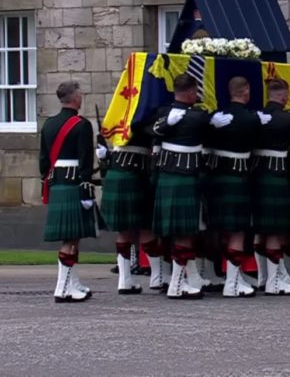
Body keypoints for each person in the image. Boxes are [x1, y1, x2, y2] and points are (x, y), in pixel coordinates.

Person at [148, 73, 210, 299]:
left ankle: (190, 278)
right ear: (192, 92)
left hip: (167, 176)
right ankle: (176, 285)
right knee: (183, 232)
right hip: (184, 178)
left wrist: (165, 122)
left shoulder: (163, 113)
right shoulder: (197, 117)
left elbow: (152, 131)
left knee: (180, 232)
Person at [40, 81, 97, 303]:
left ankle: (73, 283)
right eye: (80, 94)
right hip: (74, 184)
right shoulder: (81, 125)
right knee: (70, 240)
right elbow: (85, 161)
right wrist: (86, 189)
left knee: (74, 238)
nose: (81, 97)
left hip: (57, 183)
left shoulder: (49, 124)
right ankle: (62, 288)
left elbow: (44, 162)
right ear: (74, 98)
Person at [205, 76, 262, 297]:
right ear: (245, 91)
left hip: (216, 177)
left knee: (218, 229)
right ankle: (232, 281)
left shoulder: (216, 117)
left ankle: (226, 275)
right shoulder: (251, 119)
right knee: (238, 230)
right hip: (238, 177)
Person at [98, 121, 164, 294]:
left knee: (124, 231)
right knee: (145, 228)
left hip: (116, 171)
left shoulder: (119, 119)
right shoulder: (142, 120)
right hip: (136, 173)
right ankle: (157, 277)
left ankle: (125, 280)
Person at [251, 78, 290, 295]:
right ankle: (274, 280)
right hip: (278, 175)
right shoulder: (287, 119)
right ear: (284, 96)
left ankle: (264, 277)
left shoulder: (256, 117)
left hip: (257, 174)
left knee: (261, 228)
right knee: (275, 230)